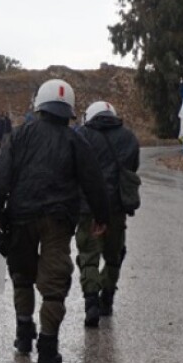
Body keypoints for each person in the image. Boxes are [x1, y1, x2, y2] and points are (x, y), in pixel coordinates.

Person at [0, 78, 109, 363]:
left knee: (22, 275)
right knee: (54, 282)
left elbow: (0, 181)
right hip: (58, 220)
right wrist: (101, 217)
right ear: (69, 110)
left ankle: (24, 335)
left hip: (20, 218)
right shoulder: (76, 140)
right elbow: (94, 182)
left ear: (39, 105)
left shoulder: (19, 136)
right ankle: (48, 348)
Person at [73, 101, 140, 328]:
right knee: (114, 256)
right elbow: (133, 167)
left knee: (88, 255)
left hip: (87, 208)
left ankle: (91, 302)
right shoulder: (130, 138)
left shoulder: (81, 135)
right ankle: (107, 298)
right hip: (117, 208)